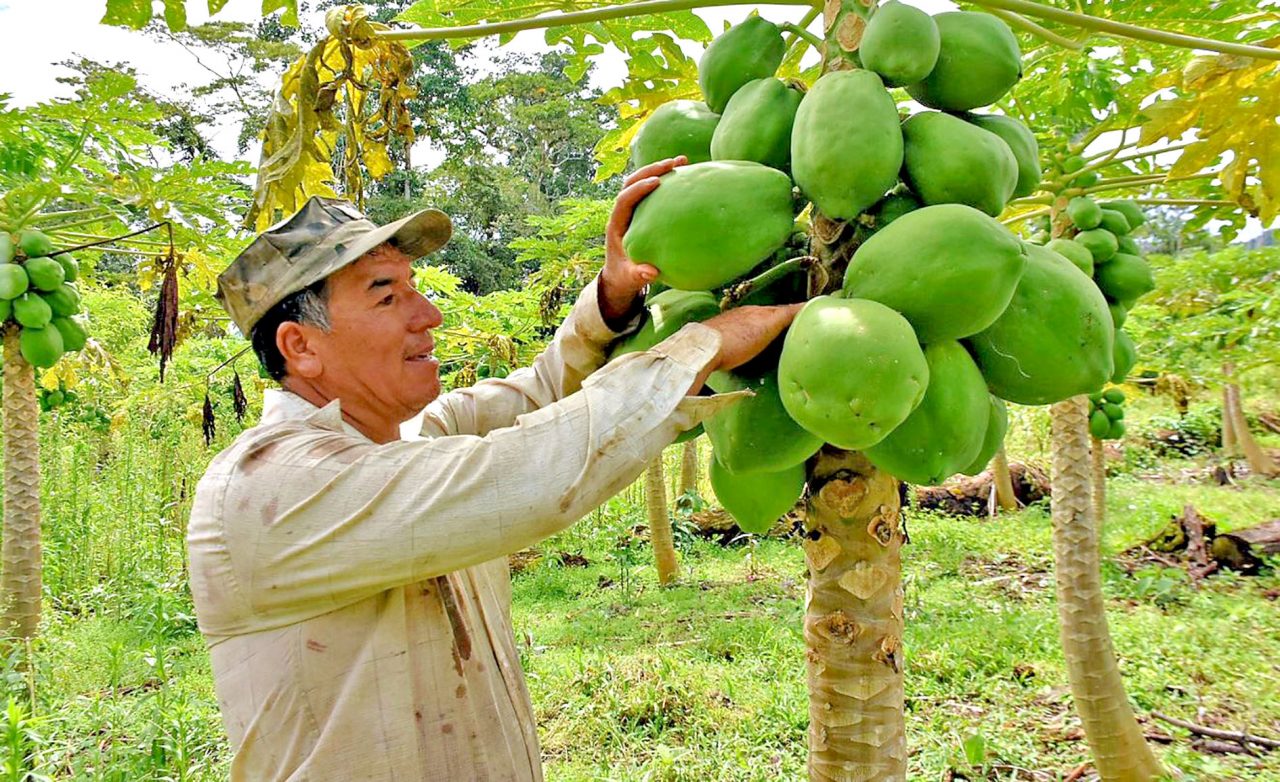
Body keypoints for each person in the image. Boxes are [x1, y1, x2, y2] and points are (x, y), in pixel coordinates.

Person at [187, 157, 803, 781]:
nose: (428, 314)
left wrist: (614, 299)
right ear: (301, 347)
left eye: (414, 286)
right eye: (387, 295)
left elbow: (545, 394)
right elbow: (531, 471)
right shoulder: (269, 487)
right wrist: (704, 344)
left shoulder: (411, 443)